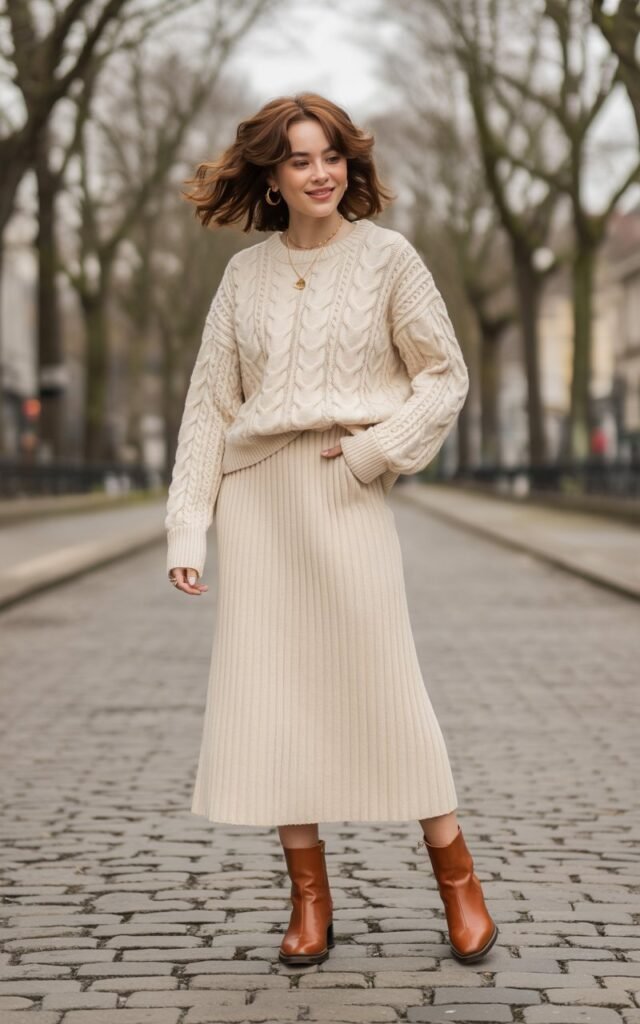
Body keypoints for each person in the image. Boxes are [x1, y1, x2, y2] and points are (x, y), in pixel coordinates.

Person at [164, 92, 498, 969]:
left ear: (350, 164)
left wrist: (375, 451)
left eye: (331, 156)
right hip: (261, 503)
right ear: (271, 176)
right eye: (300, 160)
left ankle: (458, 879)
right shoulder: (244, 278)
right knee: (277, 703)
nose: (320, 173)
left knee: (390, 685)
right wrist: (188, 529)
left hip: (346, 491)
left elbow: (444, 375)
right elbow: (210, 406)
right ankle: (309, 897)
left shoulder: (389, 259)